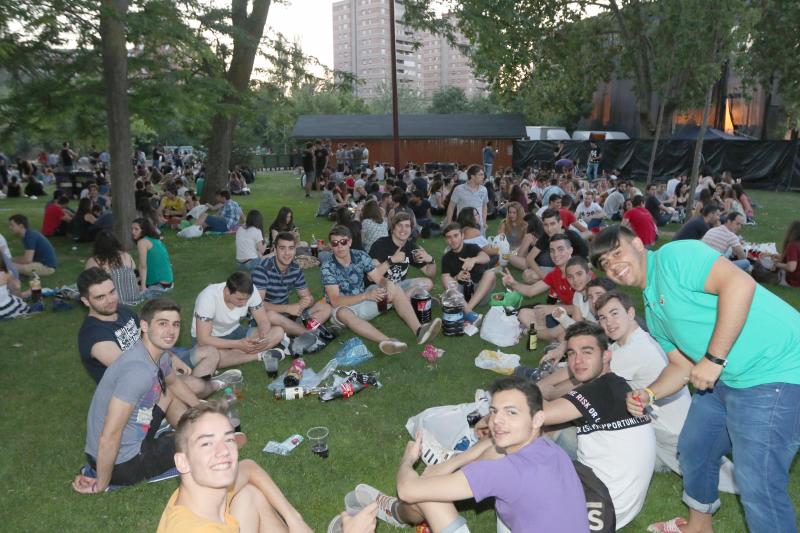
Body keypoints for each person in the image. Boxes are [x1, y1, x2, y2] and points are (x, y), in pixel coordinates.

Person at [590, 224, 800, 533]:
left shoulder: (675, 256)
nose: (613, 266)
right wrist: (648, 394)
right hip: (727, 377)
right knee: (694, 448)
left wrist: (714, 359)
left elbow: (740, 284)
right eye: (605, 264)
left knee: (759, 482)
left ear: (637, 243)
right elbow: (682, 367)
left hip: (777, 369)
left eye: (616, 253)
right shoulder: (653, 305)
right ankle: (699, 526)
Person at [345, 375, 588, 532]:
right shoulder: (548, 449)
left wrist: (408, 459)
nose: (497, 421)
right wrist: (456, 461)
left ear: (537, 419)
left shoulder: (506, 472)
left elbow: (408, 489)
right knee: (480, 456)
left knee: (428, 494)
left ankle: (396, 512)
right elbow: (493, 443)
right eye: (494, 411)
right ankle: (407, 507)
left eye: (511, 412)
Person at [71, 299, 199, 494]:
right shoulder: (137, 373)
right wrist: (102, 484)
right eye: (163, 323)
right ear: (145, 326)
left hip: (132, 434)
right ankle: (187, 436)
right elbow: (110, 436)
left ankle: (186, 430)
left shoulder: (158, 354)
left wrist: (202, 409)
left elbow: (173, 382)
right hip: (123, 464)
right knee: (196, 441)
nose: (171, 331)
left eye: (175, 324)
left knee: (167, 393)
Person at [542, 322, 656, 529]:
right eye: (571, 354)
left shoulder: (597, 391)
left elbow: (533, 416)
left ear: (606, 356)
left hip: (598, 508)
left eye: (587, 352)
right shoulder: (615, 383)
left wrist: (494, 413)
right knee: (551, 428)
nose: (578, 361)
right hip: (623, 504)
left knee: (519, 441)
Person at [156, 401, 320, 533]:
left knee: (249, 495)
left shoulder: (203, 493)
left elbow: (249, 468)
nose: (223, 451)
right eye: (206, 443)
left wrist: (294, 519)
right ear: (182, 462)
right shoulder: (193, 528)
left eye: (228, 439)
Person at [321, 225, 440, 355]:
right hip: (344, 307)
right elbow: (335, 301)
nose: (339, 246)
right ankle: (388, 342)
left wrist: (387, 283)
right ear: (331, 246)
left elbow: (378, 279)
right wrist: (366, 296)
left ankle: (419, 330)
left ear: (349, 242)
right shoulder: (328, 267)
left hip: (364, 301)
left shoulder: (360, 255)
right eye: (335, 243)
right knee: (343, 313)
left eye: (343, 242)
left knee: (394, 287)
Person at [190, 271, 285, 370]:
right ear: (227, 292)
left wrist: (263, 335)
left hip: (235, 331)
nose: (244, 304)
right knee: (210, 355)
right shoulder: (208, 297)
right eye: (239, 299)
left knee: (278, 332)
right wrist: (237, 344)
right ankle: (257, 355)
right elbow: (203, 340)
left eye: (247, 299)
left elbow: (263, 320)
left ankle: (233, 355)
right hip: (211, 339)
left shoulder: (250, 291)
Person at [252, 231, 333, 339]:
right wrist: (288, 308)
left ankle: (294, 332)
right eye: (282, 248)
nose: (287, 253)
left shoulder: (294, 269)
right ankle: (309, 334)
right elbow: (257, 305)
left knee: (326, 307)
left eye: (291, 248)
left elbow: (308, 297)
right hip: (265, 319)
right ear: (275, 250)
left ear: (295, 250)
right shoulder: (262, 270)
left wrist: (307, 301)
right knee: (271, 315)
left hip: (287, 317)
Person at [502, 234, 577, 339]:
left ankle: (545, 334)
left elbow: (582, 310)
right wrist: (513, 283)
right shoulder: (555, 273)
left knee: (561, 332)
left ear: (570, 250)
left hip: (580, 319)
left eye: (560, 249)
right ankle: (548, 334)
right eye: (552, 250)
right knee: (523, 313)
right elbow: (530, 291)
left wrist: (551, 308)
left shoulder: (578, 273)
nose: (555, 254)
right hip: (560, 314)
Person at [369, 212, 436, 297]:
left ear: (411, 229)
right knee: (384, 290)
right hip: (379, 286)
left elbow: (429, 273)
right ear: (393, 228)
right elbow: (371, 277)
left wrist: (430, 260)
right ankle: (407, 300)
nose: (403, 229)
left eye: (407, 226)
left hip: (398, 286)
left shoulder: (411, 247)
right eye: (399, 225)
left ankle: (399, 301)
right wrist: (391, 260)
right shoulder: (380, 245)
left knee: (427, 283)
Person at [440, 223, 496, 322]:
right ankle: (469, 313)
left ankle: (467, 310)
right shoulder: (446, 258)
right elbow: (446, 282)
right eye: (449, 237)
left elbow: (486, 258)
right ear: (445, 240)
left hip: (480, 294)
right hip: (461, 296)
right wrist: (457, 277)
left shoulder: (472, 247)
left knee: (490, 273)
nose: (453, 240)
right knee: (445, 278)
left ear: (462, 235)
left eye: (456, 235)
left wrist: (473, 260)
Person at [520, 209, 588, 283]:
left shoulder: (572, 235)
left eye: (552, 224)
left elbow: (586, 261)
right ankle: (554, 282)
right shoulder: (545, 236)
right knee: (526, 275)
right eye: (546, 225)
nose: (549, 229)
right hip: (555, 269)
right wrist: (544, 277)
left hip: (572, 269)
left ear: (560, 223)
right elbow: (530, 258)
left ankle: (557, 282)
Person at [85, 231, 143, 306]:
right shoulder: (126, 256)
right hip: (134, 296)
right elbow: (136, 275)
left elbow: (86, 283)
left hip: (113, 300)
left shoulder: (93, 261)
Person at [132, 217, 174, 294]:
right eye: (132, 229)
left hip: (159, 285)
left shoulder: (142, 242)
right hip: (168, 282)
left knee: (127, 287)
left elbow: (143, 266)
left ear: (143, 230)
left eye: (136, 229)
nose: (133, 232)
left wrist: (143, 287)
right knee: (131, 276)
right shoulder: (155, 239)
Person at [444, 165, 488, 232]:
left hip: (479, 226)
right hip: (463, 226)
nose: (483, 177)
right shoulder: (459, 189)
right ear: (472, 176)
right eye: (480, 175)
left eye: (483, 175)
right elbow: (451, 206)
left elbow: (484, 205)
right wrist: (449, 223)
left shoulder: (484, 190)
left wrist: (484, 222)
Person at [772, 219, 800, 287]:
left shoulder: (793, 245)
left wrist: (777, 264)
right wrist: (773, 255)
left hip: (794, 282)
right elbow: (795, 258)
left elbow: (791, 267)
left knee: (763, 268)